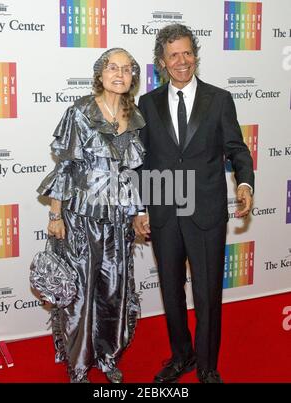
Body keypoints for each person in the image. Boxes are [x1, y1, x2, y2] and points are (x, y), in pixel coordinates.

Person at [133, 24, 254, 383]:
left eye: (187, 53)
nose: (182, 61)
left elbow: (237, 149)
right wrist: (140, 209)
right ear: (162, 62)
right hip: (165, 207)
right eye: (174, 55)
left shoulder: (219, 99)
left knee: (207, 293)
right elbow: (142, 160)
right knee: (171, 291)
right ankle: (181, 356)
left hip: (206, 211)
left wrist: (244, 182)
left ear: (195, 55)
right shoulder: (147, 103)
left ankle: (206, 365)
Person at [37, 48, 145, 383]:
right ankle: (80, 365)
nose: (120, 74)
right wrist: (56, 216)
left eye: (127, 69)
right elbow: (65, 167)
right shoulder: (80, 112)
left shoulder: (135, 115)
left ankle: (108, 355)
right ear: (99, 74)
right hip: (81, 217)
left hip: (117, 220)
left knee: (114, 289)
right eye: (113, 67)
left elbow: (132, 171)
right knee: (81, 294)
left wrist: (138, 210)